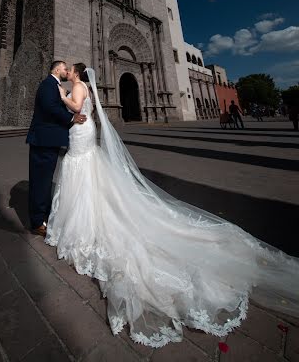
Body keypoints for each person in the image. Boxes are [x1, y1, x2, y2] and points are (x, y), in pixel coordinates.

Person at [43, 63, 299, 349]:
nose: (65, 73)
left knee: (82, 171)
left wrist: (61, 95)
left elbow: (76, 107)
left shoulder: (75, 86)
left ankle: (82, 219)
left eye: (67, 69)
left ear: (75, 72)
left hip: (82, 132)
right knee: (90, 172)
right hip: (86, 132)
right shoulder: (86, 86)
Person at [26, 61, 86, 237]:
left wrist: (70, 94)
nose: (67, 71)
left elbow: (66, 102)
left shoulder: (55, 86)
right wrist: (71, 118)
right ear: (57, 69)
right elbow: (50, 107)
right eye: (65, 68)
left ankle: (42, 215)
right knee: (40, 182)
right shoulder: (47, 84)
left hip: (49, 141)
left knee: (44, 181)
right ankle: (37, 222)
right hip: (43, 141)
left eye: (69, 69)